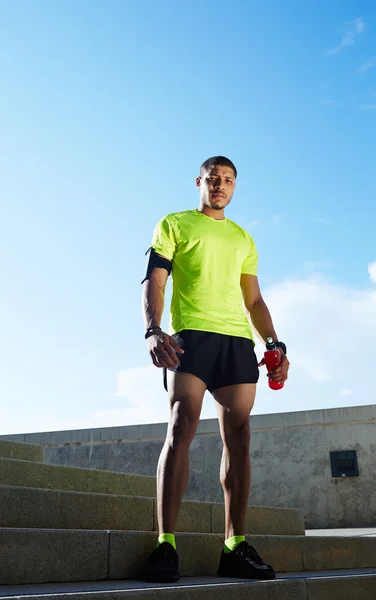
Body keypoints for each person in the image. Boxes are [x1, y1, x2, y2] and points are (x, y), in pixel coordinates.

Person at [141, 156, 290, 582]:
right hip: (191, 336)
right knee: (181, 425)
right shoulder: (174, 224)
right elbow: (155, 279)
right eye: (212, 179)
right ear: (199, 182)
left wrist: (274, 343)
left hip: (237, 342)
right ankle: (166, 544)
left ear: (235, 187)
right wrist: (153, 329)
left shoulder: (244, 238)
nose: (219, 185)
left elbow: (255, 300)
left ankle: (234, 546)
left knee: (239, 437)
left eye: (227, 180)